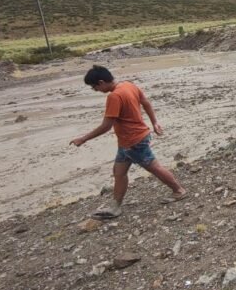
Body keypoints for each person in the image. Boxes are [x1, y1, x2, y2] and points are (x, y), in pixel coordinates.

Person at [70, 65, 187, 219]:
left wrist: (83, 139)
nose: (95, 90)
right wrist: (154, 123)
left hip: (134, 141)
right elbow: (146, 102)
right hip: (128, 142)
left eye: (94, 87)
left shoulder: (114, 97)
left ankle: (179, 191)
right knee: (119, 173)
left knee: (154, 167)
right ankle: (116, 207)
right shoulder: (128, 85)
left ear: (101, 82)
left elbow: (106, 125)